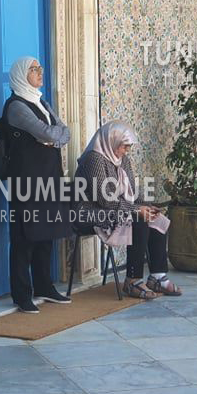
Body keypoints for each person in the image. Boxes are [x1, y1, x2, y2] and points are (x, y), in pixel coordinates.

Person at [73, 122, 181, 299]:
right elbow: (105, 199)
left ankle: (158, 277)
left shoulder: (122, 160)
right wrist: (137, 210)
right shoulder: (94, 159)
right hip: (90, 213)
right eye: (125, 147)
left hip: (113, 209)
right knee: (138, 219)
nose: (126, 151)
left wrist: (147, 205)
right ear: (112, 141)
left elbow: (133, 191)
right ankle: (132, 280)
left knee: (153, 217)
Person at [4, 56, 73, 314]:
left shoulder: (40, 101)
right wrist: (50, 136)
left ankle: (45, 286)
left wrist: (52, 137)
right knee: (24, 237)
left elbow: (64, 131)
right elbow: (47, 133)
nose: (39, 73)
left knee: (47, 233)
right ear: (22, 74)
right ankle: (22, 294)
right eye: (34, 70)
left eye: (40, 68)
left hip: (49, 177)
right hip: (27, 181)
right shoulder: (17, 106)